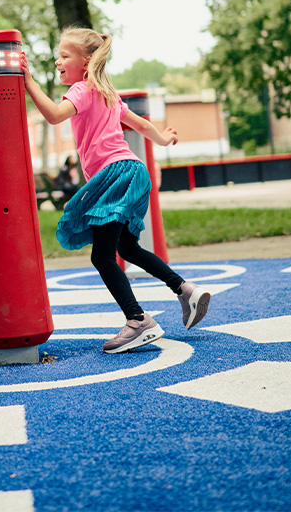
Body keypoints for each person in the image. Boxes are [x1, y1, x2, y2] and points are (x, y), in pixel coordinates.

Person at [21, 27, 210, 354]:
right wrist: (163, 139)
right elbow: (140, 125)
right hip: (135, 171)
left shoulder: (82, 90)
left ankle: (138, 321)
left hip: (115, 174)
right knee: (128, 248)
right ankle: (185, 289)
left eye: (65, 55)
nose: (58, 61)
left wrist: (28, 82)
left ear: (87, 60)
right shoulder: (109, 94)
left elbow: (53, 116)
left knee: (102, 255)